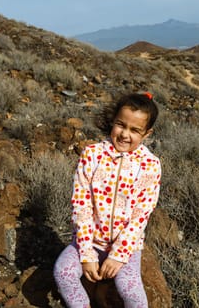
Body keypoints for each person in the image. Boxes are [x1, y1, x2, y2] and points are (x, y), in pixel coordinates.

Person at [53, 92, 161, 308]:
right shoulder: (92, 155)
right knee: (62, 272)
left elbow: (141, 216)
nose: (125, 135)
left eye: (135, 130)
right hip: (89, 240)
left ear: (147, 133)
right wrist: (86, 254)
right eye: (121, 125)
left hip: (126, 246)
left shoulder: (150, 165)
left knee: (130, 291)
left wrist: (119, 255)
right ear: (113, 121)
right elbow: (81, 205)